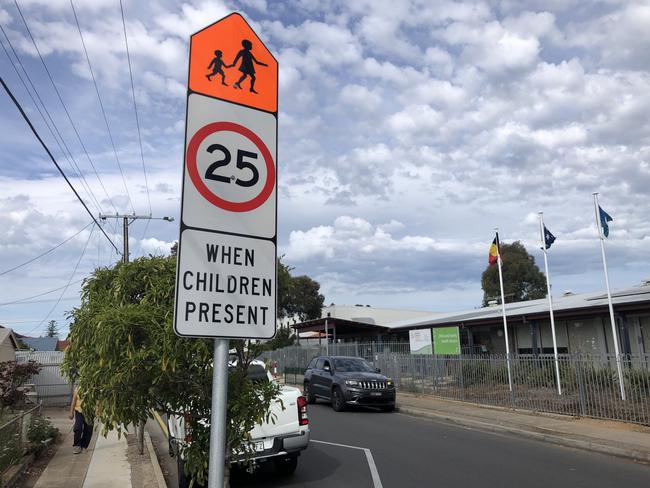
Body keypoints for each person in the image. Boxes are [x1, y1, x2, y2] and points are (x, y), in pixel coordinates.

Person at [69, 387, 93, 454]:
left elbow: (97, 400)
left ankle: (84, 446)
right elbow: (74, 400)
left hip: (90, 412)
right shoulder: (78, 388)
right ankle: (77, 446)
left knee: (88, 429)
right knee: (78, 428)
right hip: (79, 411)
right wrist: (71, 412)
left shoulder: (93, 387)